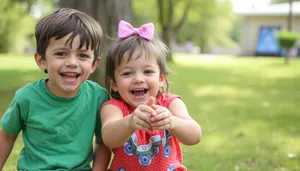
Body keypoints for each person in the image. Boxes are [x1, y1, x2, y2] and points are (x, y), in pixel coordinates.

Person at [0, 8, 111, 170]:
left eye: (83, 55)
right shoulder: (26, 97)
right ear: (41, 60)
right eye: (61, 53)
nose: (72, 62)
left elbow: (103, 142)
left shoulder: (98, 97)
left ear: (94, 64)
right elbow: (6, 137)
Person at [100, 20, 202, 171]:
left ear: (161, 79)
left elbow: (195, 136)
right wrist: (130, 122)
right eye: (127, 73)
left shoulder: (171, 103)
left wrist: (173, 122)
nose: (138, 79)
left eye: (147, 71)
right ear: (114, 83)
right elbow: (108, 138)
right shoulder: (115, 108)